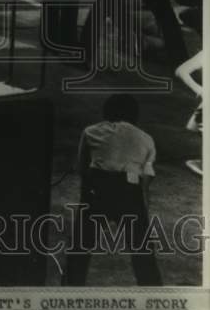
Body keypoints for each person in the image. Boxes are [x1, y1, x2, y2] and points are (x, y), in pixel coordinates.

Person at [64, 93, 162, 286]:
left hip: (98, 188)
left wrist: (85, 205)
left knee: (80, 247)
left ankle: (71, 288)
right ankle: (152, 293)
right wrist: (143, 213)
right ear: (135, 115)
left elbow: (82, 169)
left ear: (106, 112)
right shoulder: (147, 139)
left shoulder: (91, 131)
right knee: (142, 249)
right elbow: (146, 181)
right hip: (129, 189)